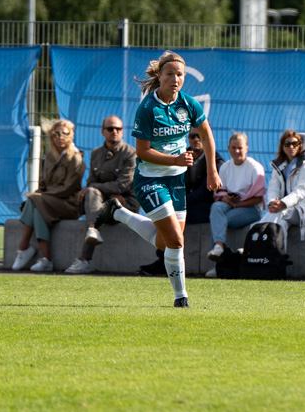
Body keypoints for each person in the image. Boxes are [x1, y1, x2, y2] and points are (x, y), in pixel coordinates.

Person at [96, 50, 221, 308]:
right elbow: (142, 151)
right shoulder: (148, 109)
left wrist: (212, 170)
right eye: (170, 74)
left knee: (166, 242)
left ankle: (118, 213)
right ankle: (181, 297)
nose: (175, 79)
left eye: (180, 75)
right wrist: (175, 160)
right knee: (176, 241)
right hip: (150, 180)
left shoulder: (188, 104)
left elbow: (206, 135)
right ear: (160, 76)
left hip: (176, 181)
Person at [138, 129, 224, 276]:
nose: (196, 139)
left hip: (203, 207)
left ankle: (165, 262)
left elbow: (206, 192)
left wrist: (179, 201)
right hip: (185, 202)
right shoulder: (182, 154)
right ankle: (164, 260)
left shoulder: (215, 160)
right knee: (165, 212)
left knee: (172, 217)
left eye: (199, 136)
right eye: (192, 136)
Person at [64, 115, 140, 274]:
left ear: (122, 132)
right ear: (102, 131)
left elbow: (121, 185)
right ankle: (92, 231)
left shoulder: (130, 154)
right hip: (103, 202)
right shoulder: (96, 153)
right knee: (92, 194)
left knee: (93, 202)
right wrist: (105, 191)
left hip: (125, 204)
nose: (114, 132)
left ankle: (84, 258)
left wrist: (100, 188)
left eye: (118, 129)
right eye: (110, 128)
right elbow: (91, 181)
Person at [11, 119, 86, 272]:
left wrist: (41, 196)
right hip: (49, 201)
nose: (60, 137)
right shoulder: (51, 156)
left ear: (71, 135)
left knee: (35, 200)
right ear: (51, 136)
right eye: (56, 134)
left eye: (65, 133)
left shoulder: (76, 158)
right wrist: (40, 195)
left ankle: (23, 247)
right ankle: (46, 260)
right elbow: (44, 182)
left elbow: (67, 189)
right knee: (37, 208)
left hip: (68, 203)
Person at [206, 132, 266, 276]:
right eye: (233, 148)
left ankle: (219, 265)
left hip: (250, 208)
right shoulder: (225, 167)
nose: (237, 151)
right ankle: (219, 249)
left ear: (246, 148)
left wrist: (237, 205)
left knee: (219, 220)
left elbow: (258, 198)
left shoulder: (255, 168)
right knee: (216, 208)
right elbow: (220, 193)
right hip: (231, 205)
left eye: (240, 148)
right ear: (228, 148)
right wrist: (226, 199)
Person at [261, 130, 305, 251]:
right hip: (283, 210)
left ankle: (257, 248)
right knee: (279, 223)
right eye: (287, 144)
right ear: (282, 147)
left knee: (277, 214)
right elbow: (273, 187)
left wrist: (283, 203)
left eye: (295, 143)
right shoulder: (278, 165)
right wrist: (272, 202)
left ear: (300, 145)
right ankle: (275, 256)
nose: (291, 147)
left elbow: (301, 191)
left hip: (303, 210)